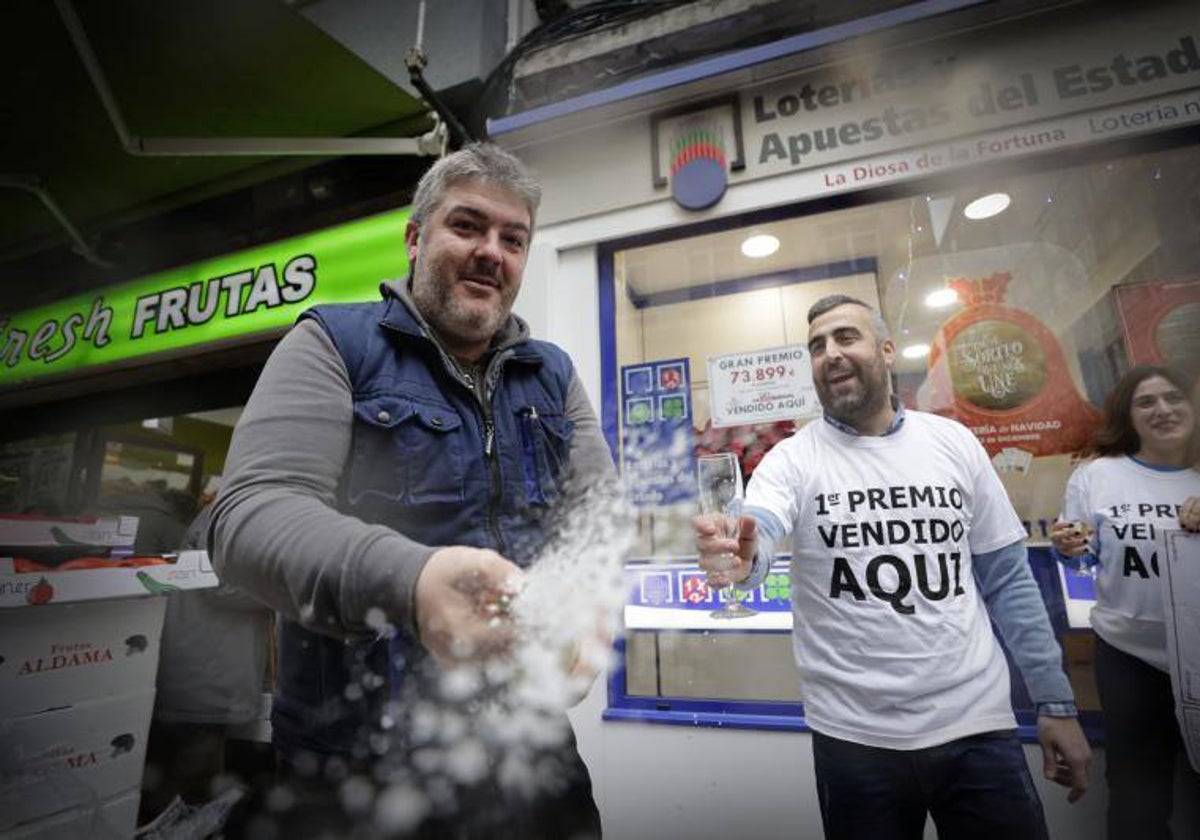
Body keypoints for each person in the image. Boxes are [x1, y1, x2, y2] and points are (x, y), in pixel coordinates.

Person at [210, 143, 616, 838]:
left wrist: (586, 608)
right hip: (355, 768)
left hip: (528, 750)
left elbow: (599, 518)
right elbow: (249, 516)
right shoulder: (336, 342)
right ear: (414, 237)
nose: (492, 251)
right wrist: (413, 580)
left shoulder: (551, 374)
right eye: (467, 226)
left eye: (512, 239)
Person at [694, 294, 1092, 840]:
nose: (829, 354)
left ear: (885, 351)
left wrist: (1055, 700)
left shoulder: (952, 443)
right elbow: (760, 528)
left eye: (845, 338)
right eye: (816, 346)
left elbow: (1007, 578)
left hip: (975, 727)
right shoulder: (792, 459)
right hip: (854, 740)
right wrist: (745, 557)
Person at [1049, 365, 1200, 840]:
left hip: (1198, 652)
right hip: (1128, 653)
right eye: (1146, 402)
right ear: (1127, 416)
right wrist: (1068, 549)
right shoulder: (1098, 475)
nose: (1163, 410)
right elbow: (1082, 560)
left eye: (1173, 397)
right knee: (1137, 793)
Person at [139, 476, 273, 823]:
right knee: (188, 786)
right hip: (206, 672)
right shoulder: (229, 517)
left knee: (185, 777)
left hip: (203, 666)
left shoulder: (221, 515)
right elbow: (223, 585)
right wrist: (286, 587)